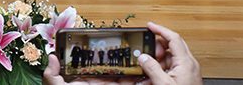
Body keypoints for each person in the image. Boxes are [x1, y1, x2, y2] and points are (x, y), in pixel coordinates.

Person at [44, 21, 203, 85]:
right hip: (94, 58)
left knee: (119, 64)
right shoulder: (84, 51)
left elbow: (111, 54)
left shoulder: (117, 51)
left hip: (118, 58)